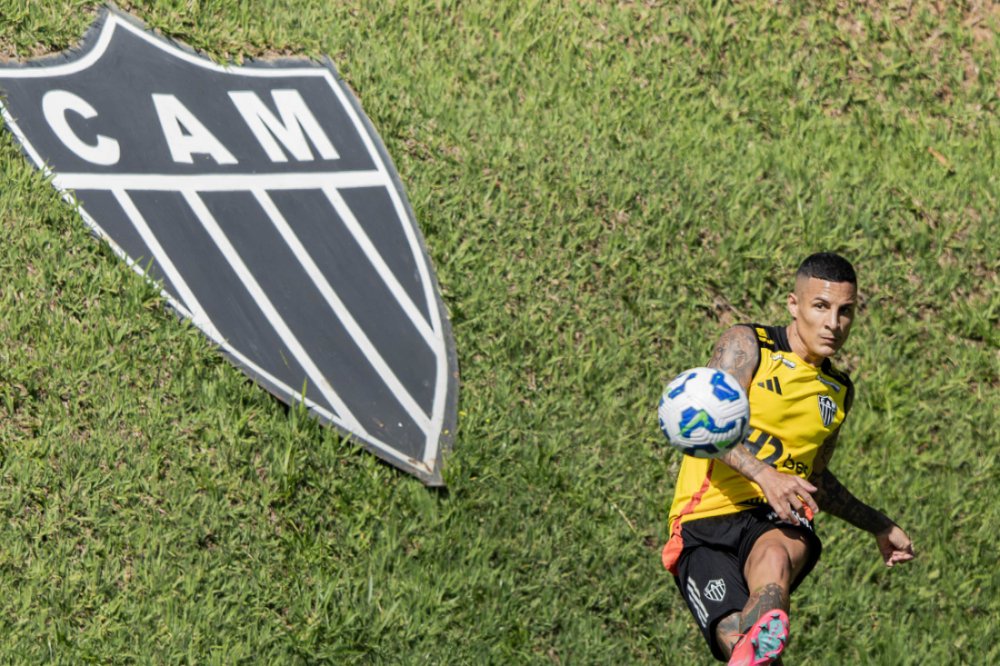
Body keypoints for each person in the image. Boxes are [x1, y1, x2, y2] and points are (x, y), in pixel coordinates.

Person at [661, 252, 915, 665]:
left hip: (779, 519)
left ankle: (764, 628)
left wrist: (880, 525)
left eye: (845, 311)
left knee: (776, 557)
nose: (833, 323)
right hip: (704, 518)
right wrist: (764, 474)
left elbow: (818, 478)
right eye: (821, 306)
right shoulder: (748, 346)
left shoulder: (837, 390)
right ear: (793, 305)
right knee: (736, 639)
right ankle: (755, 648)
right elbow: (701, 427)